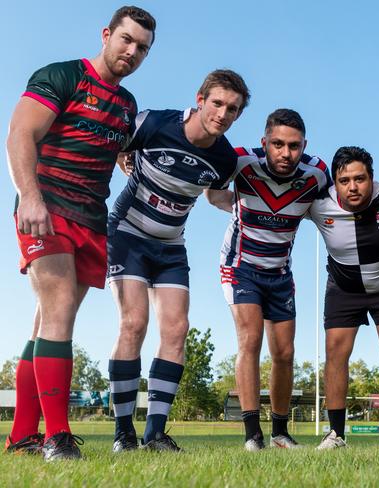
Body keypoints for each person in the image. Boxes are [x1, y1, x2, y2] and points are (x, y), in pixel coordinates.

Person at [5, 6, 155, 461]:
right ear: (107, 34)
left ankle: (21, 437)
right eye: (126, 39)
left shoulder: (126, 105)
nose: (131, 51)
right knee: (60, 309)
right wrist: (29, 198)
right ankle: (57, 437)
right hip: (46, 208)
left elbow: (110, 141)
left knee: (45, 322)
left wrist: (122, 158)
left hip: (91, 219)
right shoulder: (62, 75)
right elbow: (18, 135)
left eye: (142, 48)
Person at [106, 69, 250, 452]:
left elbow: (216, 197)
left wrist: (248, 205)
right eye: (217, 103)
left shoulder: (223, 158)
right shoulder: (154, 122)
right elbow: (113, 143)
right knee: (134, 323)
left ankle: (154, 432)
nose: (223, 113)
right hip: (129, 235)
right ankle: (123, 432)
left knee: (176, 330)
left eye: (232, 109)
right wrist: (123, 152)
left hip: (171, 245)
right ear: (200, 99)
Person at [214, 109, 330, 451]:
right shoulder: (241, 163)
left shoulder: (317, 174)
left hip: (280, 272)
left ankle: (280, 432)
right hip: (239, 267)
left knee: (285, 353)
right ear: (264, 142)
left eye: (294, 146)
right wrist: (239, 208)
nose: (285, 153)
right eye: (277, 144)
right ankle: (253, 434)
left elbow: (330, 208)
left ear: (304, 146)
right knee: (250, 340)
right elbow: (213, 193)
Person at [308, 146, 379, 450]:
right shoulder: (318, 203)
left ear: (371, 177)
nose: (353, 187)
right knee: (335, 353)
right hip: (344, 288)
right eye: (344, 181)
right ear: (335, 183)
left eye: (360, 179)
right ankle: (336, 435)